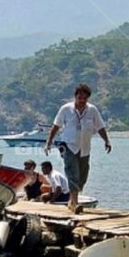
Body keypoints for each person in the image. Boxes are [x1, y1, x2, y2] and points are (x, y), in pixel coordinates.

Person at [44, 83, 111, 213]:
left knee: (83, 175)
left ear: (88, 99)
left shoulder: (92, 110)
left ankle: (71, 199)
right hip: (68, 146)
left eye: (84, 99)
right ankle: (74, 202)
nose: (81, 101)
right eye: (79, 98)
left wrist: (106, 141)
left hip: (84, 147)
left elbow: (100, 127)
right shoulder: (65, 109)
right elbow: (56, 126)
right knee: (72, 172)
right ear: (75, 97)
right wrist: (49, 142)